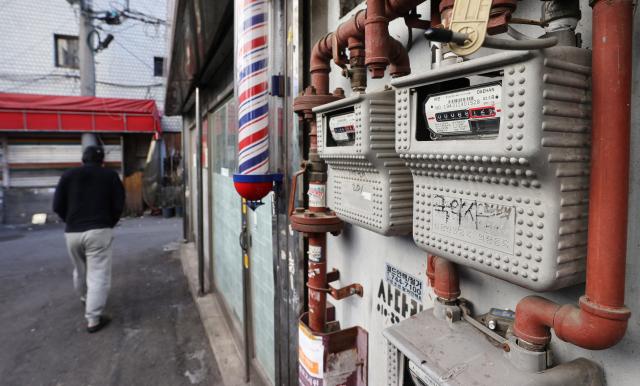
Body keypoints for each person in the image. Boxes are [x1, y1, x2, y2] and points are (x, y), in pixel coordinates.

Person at [53, 145, 125, 333]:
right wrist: (109, 222)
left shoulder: (68, 175)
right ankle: (93, 319)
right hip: (99, 230)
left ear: (82, 160)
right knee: (98, 274)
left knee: (80, 270)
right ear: (102, 161)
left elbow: (57, 205)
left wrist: (70, 220)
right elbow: (119, 204)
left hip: (72, 231)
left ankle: (86, 299)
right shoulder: (110, 176)